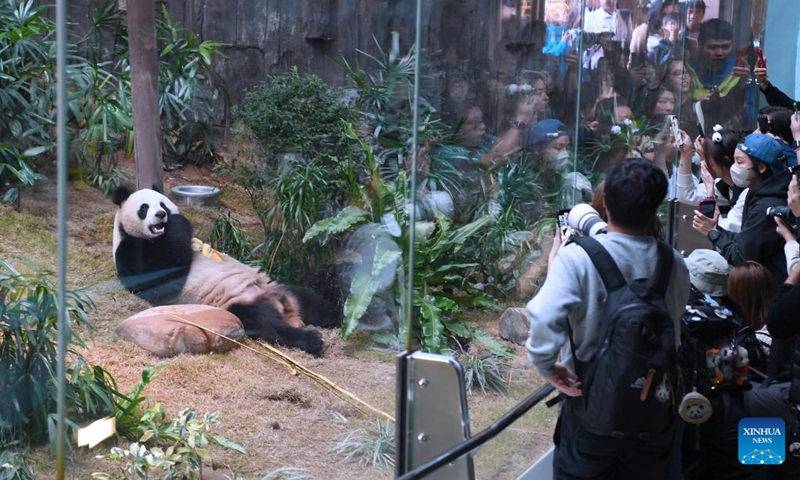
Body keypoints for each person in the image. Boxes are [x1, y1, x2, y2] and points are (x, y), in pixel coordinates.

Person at [526, 158, 690, 479]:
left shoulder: (578, 257)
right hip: (653, 409)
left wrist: (548, 367)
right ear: (655, 208)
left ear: (606, 204)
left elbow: (544, 316)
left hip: (589, 407)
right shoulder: (673, 262)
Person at [697, 133, 792, 286]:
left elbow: (741, 255)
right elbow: (745, 241)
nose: (734, 167)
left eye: (740, 162)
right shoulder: (759, 191)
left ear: (761, 167)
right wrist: (716, 229)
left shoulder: (767, 207)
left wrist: (713, 233)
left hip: (772, 290)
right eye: (734, 160)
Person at [686, 19, 754, 131]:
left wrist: (743, 86)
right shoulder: (688, 71)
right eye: (713, 47)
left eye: (725, 47)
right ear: (700, 44)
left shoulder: (740, 72)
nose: (719, 53)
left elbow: (751, 118)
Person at [676, 125, 745, 232]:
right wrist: (686, 153)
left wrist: (710, 193)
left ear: (724, 160)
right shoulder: (725, 184)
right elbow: (686, 195)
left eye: (706, 158)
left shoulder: (746, 191)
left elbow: (727, 230)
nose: (702, 162)